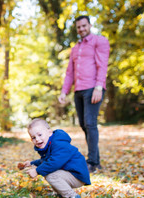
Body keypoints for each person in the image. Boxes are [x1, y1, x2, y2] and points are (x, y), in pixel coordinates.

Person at [58, 15, 110, 173]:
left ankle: (92, 162)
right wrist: (64, 91)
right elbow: (69, 72)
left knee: (90, 123)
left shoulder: (99, 41)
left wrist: (99, 87)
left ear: (89, 25)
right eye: (79, 27)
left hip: (92, 88)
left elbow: (102, 65)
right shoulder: (75, 48)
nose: (81, 29)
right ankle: (97, 160)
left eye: (84, 26)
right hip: (78, 90)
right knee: (84, 125)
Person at [20, 118, 91, 198]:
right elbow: (46, 160)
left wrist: (37, 171)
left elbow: (54, 162)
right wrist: (32, 163)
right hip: (70, 173)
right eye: (33, 137)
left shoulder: (59, 144)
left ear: (50, 133)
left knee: (51, 175)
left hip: (77, 175)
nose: (37, 139)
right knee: (48, 172)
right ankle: (60, 194)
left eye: (40, 135)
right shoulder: (49, 144)